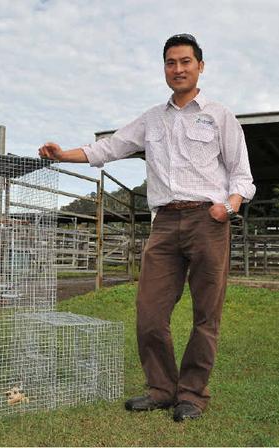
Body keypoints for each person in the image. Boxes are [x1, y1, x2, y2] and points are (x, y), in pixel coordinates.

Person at [39, 34, 255, 422]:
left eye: (186, 61)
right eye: (171, 63)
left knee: (207, 314)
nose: (178, 69)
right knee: (149, 311)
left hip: (208, 219)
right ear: (164, 69)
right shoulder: (152, 119)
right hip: (164, 222)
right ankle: (161, 388)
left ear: (200, 66)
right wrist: (62, 155)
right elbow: (110, 147)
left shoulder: (219, 116)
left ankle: (191, 393)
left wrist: (228, 206)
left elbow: (242, 174)